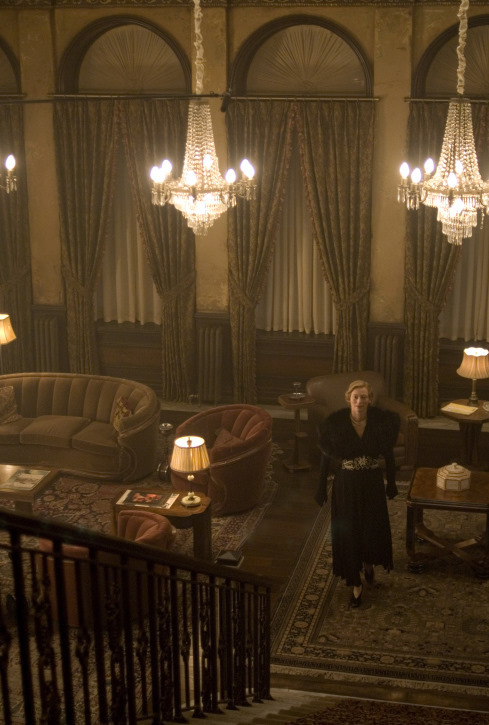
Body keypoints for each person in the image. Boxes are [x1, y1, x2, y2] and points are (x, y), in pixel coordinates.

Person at [315, 379, 400, 608]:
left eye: (364, 397)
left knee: (370, 527)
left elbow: (389, 456)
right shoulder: (335, 425)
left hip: (372, 484)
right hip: (347, 485)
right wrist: (320, 488)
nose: (360, 401)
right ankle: (355, 582)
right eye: (356, 397)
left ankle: (368, 563)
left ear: (370, 400)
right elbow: (325, 458)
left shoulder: (381, 423)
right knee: (349, 530)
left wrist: (391, 483)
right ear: (349, 399)